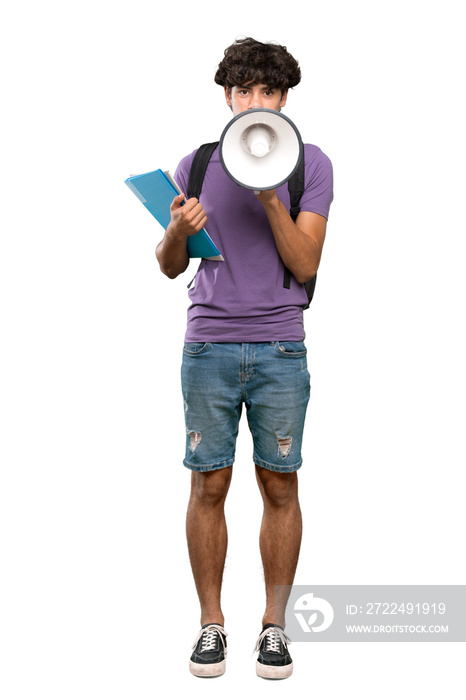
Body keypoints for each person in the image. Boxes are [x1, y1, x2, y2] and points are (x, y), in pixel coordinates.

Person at [155, 37, 333, 679]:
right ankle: (211, 625)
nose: (257, 102)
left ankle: (274, 628)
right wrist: (176, 229)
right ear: (228, 97)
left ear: (283, 99)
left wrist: (266, 195)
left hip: (282, 345)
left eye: (270, 91)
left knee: (280, 483)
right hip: (207, 344)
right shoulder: (196, 163)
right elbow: (171, 266)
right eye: (246, 91)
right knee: (209, 482)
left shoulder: (307, 164)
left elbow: (306, 263)